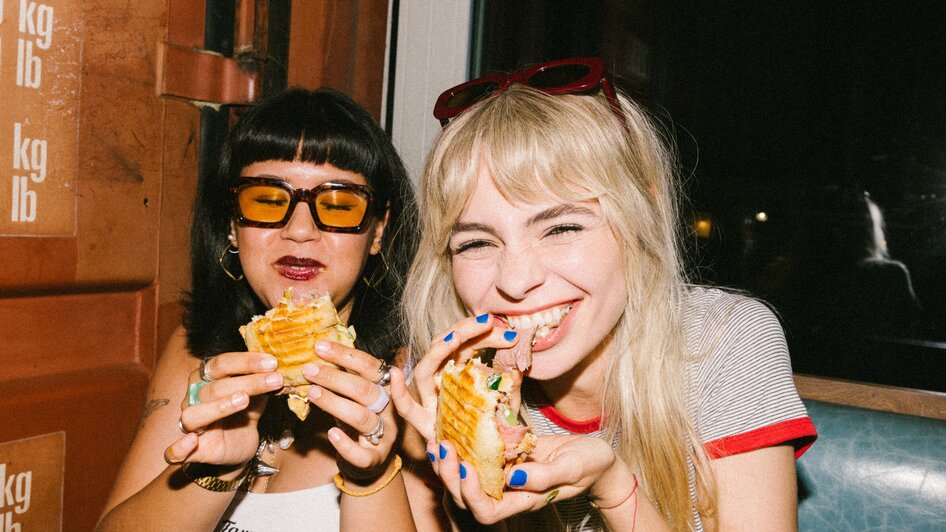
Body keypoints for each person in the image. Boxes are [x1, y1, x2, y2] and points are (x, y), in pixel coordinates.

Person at [391, 57, 817, 531]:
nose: (514, 281)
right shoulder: (449, 388)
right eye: (476, 242)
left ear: (643, 215)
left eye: (561, 227)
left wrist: (614, 487)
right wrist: (388, 464)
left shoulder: (724, 341)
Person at [97, 88, 421, 531]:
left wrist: (372, 476)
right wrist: (215, 474)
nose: (300, 229)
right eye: (267, 200)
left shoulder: (415, 388)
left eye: (339, 205)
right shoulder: (198, 356)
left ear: (379, 230)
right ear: (232, 224)